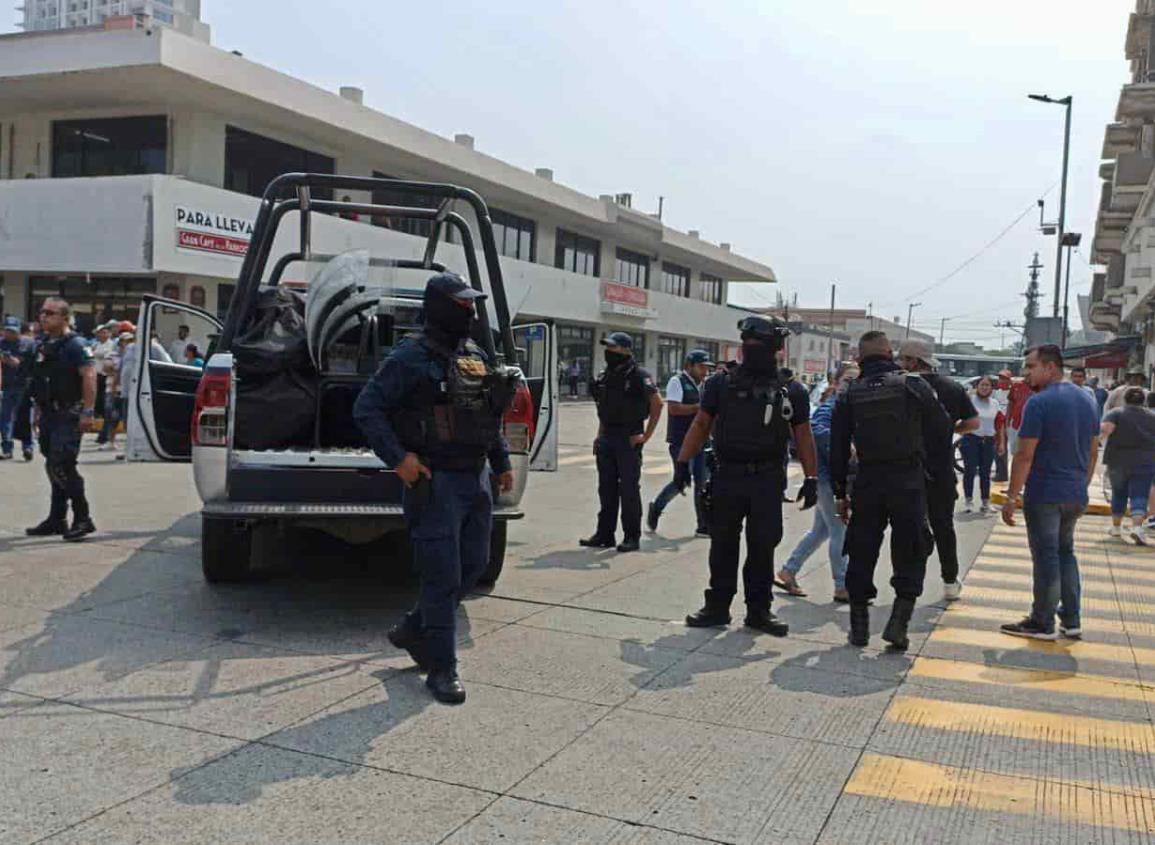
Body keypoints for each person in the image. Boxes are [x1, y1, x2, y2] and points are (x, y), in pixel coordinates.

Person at [354, 272, 515, 704]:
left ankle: (413, 628)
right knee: (442, 575)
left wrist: (501, 463)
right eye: (462, 305)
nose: (470, 312)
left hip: (475, 477)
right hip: (435, 480)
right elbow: (367, 408)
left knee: (475, 565)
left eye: (471, 305)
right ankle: (442, 668)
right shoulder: (409, 357)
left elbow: (486, 416)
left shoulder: (475, 354)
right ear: (441, 307)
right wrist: (399, 459)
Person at [681, 316, 819, 636]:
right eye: (747, 343)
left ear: (776, 348)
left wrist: (812, 478)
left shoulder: (791, 389)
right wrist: (681, 462)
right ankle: (717, 607)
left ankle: (759, 611)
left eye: (758, 344)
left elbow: (803, 435)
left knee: (762, 548)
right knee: (723, 547)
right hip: (727, 475)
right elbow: (701, 424)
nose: (750, 349)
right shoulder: (720, 383)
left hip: (767, 480)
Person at [830, 331, 949, 651]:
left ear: (859, 358)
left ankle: (858, 628)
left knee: (861, 549)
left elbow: (837, 448)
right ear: (890, 353)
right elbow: (942, 430)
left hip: (868, 480)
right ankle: (898, 623)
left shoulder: (850, 393)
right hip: (908, 480)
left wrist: (840, 492)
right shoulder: (914, 385)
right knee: (911, 548)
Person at [1000, 345, 1100, 640]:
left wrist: (1011, 497)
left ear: (1050, 367)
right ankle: (1071, 620)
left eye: (1031, 367)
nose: (1026, 373)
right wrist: (1082, 482)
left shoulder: (1039, 402)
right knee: (1065, 553)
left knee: (1046, 557)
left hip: (1045, 493)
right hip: (1075, 492)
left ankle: (1041, 621)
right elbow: (1094, 450)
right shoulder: (1087, 398)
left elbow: (1024, 456)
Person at [897, 339, 978, 602]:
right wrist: (949, 429)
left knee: (906, 529)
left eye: (903, 359)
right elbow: (973, 422)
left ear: (912, 362)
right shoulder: (952, 388)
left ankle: (906, 586)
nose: (900, 364)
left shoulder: (898, 386)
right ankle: (949, 580)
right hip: (940, 470)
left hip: (905, 470)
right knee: (943, 526)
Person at [775, 361, 859, 602]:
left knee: (821, 531)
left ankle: (788, 571)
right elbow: (815, 429)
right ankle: (842, 585)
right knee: (839, 531)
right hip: (826, 478)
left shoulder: (847, 407)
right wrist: (845, 448)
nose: (851, 385)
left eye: (856, 380)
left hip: (831, 477)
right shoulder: (832, 406)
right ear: (835, 383)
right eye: (847, 380)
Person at [581, 332, 662, 553]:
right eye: (608, 347)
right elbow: (604, 410)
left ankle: (631, 536)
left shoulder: (638, 375)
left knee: (628, 490)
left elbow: (657, 404)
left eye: (613, 348)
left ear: (626, 350)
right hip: (608, 437)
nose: (609, 352)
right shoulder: (606, 375)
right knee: (606, 490)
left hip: (629, 438)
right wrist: (599, 435)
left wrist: (645, 436)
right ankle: (604, 534)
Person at [25, 298, 97, 542]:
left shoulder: (77, 345)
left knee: (63, 464)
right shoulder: (45, 344)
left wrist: (88, 411)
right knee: (51, 463)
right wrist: (38, 409)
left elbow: (89, 376)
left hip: (69, 413)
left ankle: (83, 518)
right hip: (49, 413)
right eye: (42, 312)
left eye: (50, 313)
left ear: (65, 318)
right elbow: (41, 380)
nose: (43, 316)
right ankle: (57, 518)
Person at [647, 349, 714, 537]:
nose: (704, 371)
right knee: (681, 481)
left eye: (706, 368)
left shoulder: (705, 385)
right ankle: (657, 507)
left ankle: (703, 525)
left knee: (702, 484)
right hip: (681, 441)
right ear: (689, 366)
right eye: (701, 367)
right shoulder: (677, 382)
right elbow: (674, 409)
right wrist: (699, 408)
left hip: (702, 442)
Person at [1100, 387, 1155, 544]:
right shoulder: (1152, 416)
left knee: (1119, 492)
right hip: (1145, 462)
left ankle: (1116, 528)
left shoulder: (1116, 413)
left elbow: (1106, 430)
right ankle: (1137, 527)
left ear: (1125, 399)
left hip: (1117, 460)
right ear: (1143, 401)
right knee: (1140, 494)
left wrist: (1097, 441)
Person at [959, 375, 1003, 515]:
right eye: (982, 385)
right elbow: (960, 417)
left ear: (991, 388)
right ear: (977, 387)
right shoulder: (970, 400)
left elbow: (999, 424)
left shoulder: (995, 403)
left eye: (987, 385)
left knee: (985, 472)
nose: (984, 388)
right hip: (971, 439)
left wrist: (1001, 443)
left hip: (988, 441)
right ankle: (968, 501)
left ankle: (985, 502)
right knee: (970, 471)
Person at [0, 317, 35, 461]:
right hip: (7, 386)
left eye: (13, 331)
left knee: (24, 418)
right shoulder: (1, 344)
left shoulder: (28, 344)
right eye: (7, 330)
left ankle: (28, 447)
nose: (9, 334)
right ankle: (7, 449)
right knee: (5, 418)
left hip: (25, 386)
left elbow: (29, 364)